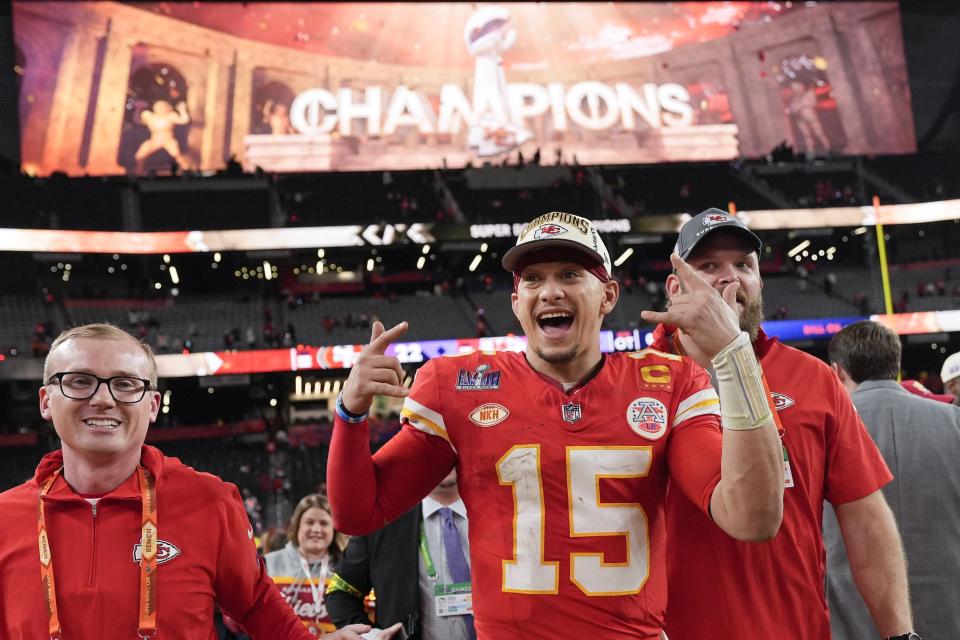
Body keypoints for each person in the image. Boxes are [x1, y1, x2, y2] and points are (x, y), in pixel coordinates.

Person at [327, 211, 784, 639]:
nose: (550, 291)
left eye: (569, 274)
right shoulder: (458, 385)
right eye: (533, 279)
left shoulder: (670, 382)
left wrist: (735, 355)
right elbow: (358, 513)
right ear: (516, 301)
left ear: (607, 296)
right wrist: (350, 414)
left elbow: (752, 517)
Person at [0, 323, 376, 640]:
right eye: (80, 381)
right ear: (46, 401)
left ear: (152, 405)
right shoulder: (5, 518)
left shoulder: (209, 500)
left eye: (126, 384)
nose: (103, 399)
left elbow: (257, 605)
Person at [648, 209, 915, 640]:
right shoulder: (634, 382)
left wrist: (900, 633)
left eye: (743, 266)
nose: (728, 278)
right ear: (676, 287)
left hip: (793, 628)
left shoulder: (812, 378)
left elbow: (864, 515)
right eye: (709, 266)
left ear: (759, 283)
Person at [826, 320, 960, 639]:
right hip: (948, 608)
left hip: (852, 615)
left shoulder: (820, 431)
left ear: (837, 371)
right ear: (896, 364)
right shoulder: (954, 421)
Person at [326, 470, 469, 640]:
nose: (447, 453)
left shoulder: (504, 517)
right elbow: (340, 592)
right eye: (440, 443)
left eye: (454, 445)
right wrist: (370, 635)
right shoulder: (381, 522)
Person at [264, 494, 349, 636]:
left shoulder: (347, 568)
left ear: (333, 529)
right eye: (309, 522)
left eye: (324, 523)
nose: (316, 529)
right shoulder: (269, 563)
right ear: (297, 526)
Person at [134, 99, 193, 173]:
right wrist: (138, 110)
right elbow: (138, 121)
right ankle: (138, 172)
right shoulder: (150, 116)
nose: (160, 109)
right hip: (154, 140)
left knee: (177, 156)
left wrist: (183, 110)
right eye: (158, 107)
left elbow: (184, 121)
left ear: (167, 108)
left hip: (168, 140)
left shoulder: (171, 116)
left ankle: (187, 171)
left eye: (162, 107)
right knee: (139, 156)